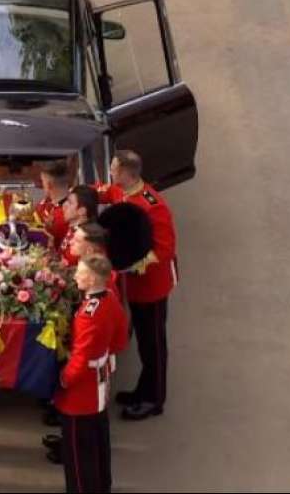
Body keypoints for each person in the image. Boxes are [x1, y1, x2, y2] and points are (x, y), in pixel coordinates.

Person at [98, 150, 177, 420]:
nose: (110, 172)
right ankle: (143, 390)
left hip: (151, 286)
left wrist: (129, 267)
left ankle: (154, 399)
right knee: (144, 340)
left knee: (151, 343)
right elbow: (110, 194)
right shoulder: (126, 192)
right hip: (134, 285)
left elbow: (163, 251)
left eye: (113, 168)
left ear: (125, 173)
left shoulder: (153, 206)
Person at [47, 251, 124, 493]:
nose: (76, 277)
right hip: (98, 381)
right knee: (98, 442)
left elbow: (80, 359)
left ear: (91, 279)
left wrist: (63, 379)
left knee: (78, 455)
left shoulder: (89, 315)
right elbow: (120, 336)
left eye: (80, 273)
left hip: (82, 392)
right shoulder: (109, 298)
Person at [36, 160, 72, 243]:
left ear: (49, 185)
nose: (42, 185)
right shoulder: (46, 203)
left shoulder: (66, 215)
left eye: (42, 181)